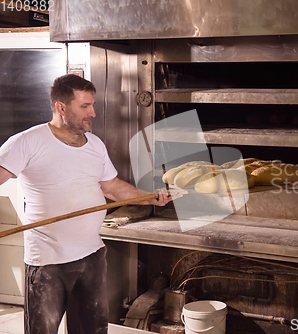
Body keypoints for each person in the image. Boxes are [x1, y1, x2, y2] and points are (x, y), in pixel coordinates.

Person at [0, 74, 179, 333]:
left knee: (91, 330)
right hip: (48, 262)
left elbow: (111, 186)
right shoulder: (28, 141)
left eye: (92, 105)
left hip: (91, 257)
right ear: (61, 107)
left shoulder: (94, 144)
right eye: (84, 106)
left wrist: (150, 197)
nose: (92, 112)